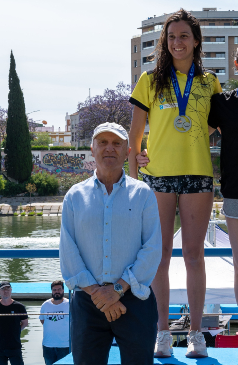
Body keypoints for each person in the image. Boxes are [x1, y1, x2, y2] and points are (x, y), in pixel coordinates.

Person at [127, 8, 222, 359]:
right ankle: (163, 332)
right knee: (160, 258)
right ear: (164, 43)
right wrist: (135, 184)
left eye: (184, 36)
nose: (177, 42)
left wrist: (188, 138)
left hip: (198, 176)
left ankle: (196, 333)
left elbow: (213, 125)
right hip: (158, 179)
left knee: (194, 255)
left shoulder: (210, 81)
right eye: (171, 37)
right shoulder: (149, 80)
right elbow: (135, 137)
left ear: (195, 41)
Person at [60, 122, 161, 365]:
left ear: (128, 151)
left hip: (134, 300)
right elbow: (68, 250)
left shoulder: (143, 194)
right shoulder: (74, 196)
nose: (109, 148)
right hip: (88, 302)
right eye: (103, 142)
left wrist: (115, 291)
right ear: (92, 149)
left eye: (117, 143)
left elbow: (152, 248)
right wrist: (98, 294)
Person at [0, 281, 28, 365]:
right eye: (3, 289)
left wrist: (16, 331)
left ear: (11, 290)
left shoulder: (19, 307)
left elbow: (25, 322)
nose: (6, 291)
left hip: (14, 345)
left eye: (8, 289)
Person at [40, 280, 70, 365]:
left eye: (59, 289)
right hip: (48, 345)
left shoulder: (70, 304)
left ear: (63, 290)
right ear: (52, 291)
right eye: (54, 290)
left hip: (65, 345)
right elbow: (42, 320)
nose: (57, 292)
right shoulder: (45, 305)